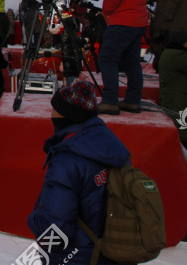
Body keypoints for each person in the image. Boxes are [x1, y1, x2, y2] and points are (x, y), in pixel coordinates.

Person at [27, 80, 130, 264]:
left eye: (54, 109)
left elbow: (55, 231)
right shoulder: (111, 146)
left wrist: (34, 219)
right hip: (109, 252)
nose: (51, 114)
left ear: (67, 116)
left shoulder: (66, 161)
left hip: (77, 257)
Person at [97, 0, 149, 115]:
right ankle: (132, 101)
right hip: (138, 20)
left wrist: (107, 11)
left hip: (122, 20)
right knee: (132, 62)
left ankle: (110, 100)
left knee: (107, 58)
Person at [158, 29, 187, 146]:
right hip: (178, 99)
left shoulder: (171, 52)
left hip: (175, 97)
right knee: (182, 131)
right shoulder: (178, 55)